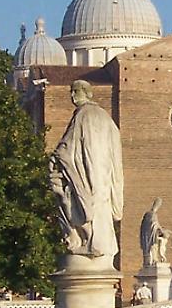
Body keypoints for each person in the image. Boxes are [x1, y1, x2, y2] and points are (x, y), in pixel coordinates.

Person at [51, 80, 124, 265]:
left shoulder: (83, 115)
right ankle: (98, 244)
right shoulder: (107, 119)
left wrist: (55, 157)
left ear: (84, 92)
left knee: (80, 207)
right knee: (100, 211)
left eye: (74, 91)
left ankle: (90, 243)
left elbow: (66, 147)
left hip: (86, 177)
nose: (71, 96)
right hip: (104, 178)